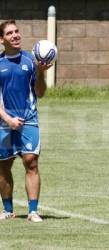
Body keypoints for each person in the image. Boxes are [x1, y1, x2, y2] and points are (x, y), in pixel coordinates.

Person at [0, 20, 52, 222]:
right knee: (4, 165)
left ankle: (33, 211)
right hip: (4, 122)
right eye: (10, 33)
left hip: (29, 119)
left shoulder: (31, 61)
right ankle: (7, 209)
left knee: (31, 162)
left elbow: (41, 92)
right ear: (2, 39)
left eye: (17, 31)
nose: (15, 35)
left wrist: (40, 73)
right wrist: (8, 119)